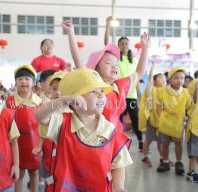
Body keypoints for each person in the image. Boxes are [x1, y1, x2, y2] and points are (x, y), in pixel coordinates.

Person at [35, 68, 132, 192]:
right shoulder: (62, 124)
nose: (101, 95)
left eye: (102, 91)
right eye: (94, 91)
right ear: (75, 100)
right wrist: (64, 100)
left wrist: (117, 187)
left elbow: (119, 163)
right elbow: (40, 116)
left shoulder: (110, 130)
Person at [62, 20, 149, 153]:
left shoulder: (121, 86)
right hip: (90, 139)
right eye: (109, 63)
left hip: (113, 138)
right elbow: (77, 59)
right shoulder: (89, 82)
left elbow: (139, 72)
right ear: (96, 68)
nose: (115, 66)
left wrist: (145, 48)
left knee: (116, 169)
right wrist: (71, 33)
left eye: (116, 64)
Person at [5, 65, 43, 192]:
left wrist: (40, 144)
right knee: (18, 174)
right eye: (20, 79)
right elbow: (5, 122)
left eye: (27, 79)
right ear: (16, 83)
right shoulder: (9, 101)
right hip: (17, 145)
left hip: (33, 144)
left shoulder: (39, 102)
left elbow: (43, 125)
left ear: (33, 82)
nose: (23, 82)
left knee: (34, 173)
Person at [104, 16, 143, 151]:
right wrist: (108, 26)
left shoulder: (133, 60)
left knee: (136, 120)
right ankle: (116, 141)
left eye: (126, 44)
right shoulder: (115, 58)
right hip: (118, 94)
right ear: (118, 46)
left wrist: (140, 95)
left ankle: (140, 142)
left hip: (131, 94)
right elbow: (106, 43)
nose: (125, 46)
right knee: (117, 119)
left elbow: (136, 77)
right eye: (122, 44)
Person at [37, 71, 66, 192]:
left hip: (66, 160)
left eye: (62, 88)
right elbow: (41, 127)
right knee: (49, 182)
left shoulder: (73, 111)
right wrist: (38, 145)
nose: (58, 92)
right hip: (49, 156)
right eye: (54, 88)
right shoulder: (47, 108)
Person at [156, 68, 192, 175]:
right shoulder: (162, 90)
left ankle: (179, 162)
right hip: (165, 122)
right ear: (170, 79)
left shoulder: (185, 92)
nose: (179, 80)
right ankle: (165, 162)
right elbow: (158, 105)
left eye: (182, 78)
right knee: (164, 143)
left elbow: (189, 106)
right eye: (176, 78)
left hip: (178, 122)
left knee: (178, 143)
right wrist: (160, 117)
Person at [139, 62, 166, 167]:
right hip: (151, 119)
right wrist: (153, 66)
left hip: (161, 120)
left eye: (164, 79)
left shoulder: (164, 91)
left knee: (161, 141)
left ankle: (164, 158)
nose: (163, 80)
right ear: (154, 81)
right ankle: (145, 157)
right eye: (161, 78)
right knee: (149, 140)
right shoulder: (150, 88)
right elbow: (150, 77)